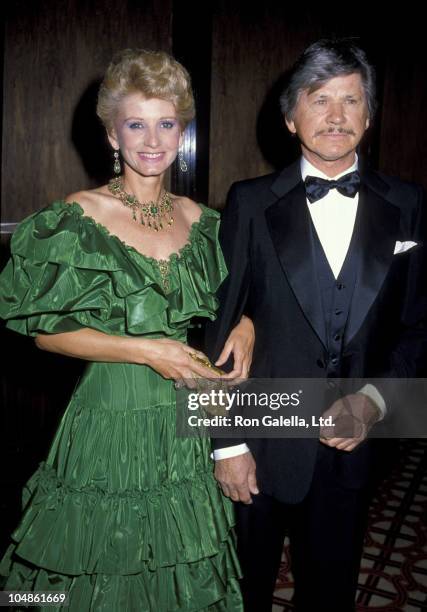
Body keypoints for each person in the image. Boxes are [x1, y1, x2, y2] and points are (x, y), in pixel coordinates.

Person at [0, 49, 253, 611]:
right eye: (135, 124)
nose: (152, 139)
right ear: (112, 136)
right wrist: (145, 351)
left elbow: (244, 295)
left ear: (182, 132)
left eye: (166, 123)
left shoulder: (205, 221)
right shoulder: (77, 217)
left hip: (187, 416)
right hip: (109, 416)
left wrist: (249, 323)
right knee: (100, 565)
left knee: (178, 563)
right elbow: (44, 331)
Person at [206, 38, 427, 611]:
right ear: (289, 117)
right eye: (319, 99)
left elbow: (419, 329)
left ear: (370, 115)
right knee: (243, 592)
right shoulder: (250, 201)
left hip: (355, 446)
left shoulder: (409, 204)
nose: (335, 116)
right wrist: (224, 442)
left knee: (331, 595)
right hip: (259, 436)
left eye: (351, 101)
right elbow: (215, 327)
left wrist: (377, 402)